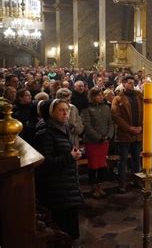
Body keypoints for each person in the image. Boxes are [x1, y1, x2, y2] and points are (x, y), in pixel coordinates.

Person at [34, 99, 83, 239]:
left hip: (67, 186)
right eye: (61, 110)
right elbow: (45, 162)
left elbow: (65, 151)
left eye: (66, 110)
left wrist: (74, 153)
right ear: (51, 113)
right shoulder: (45, 133)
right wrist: (70, 157)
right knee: (62, 232)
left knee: (70, 231)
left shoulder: (63, 128)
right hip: (57, 190)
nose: (65, 113)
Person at [111, 76, 143, 193]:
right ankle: (122, 183)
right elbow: (116, 116)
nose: (132, 85)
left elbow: (145, 112)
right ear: (123, 84)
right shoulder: (118, 98)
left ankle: (137, 180)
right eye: (129, 83)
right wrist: (129, 128)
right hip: (125, 133)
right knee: (123, 160)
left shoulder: (139, 96)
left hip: (138, 133)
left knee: (136, 159)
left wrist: (141, 127)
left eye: (133, 83)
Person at [81, 87, 115, 199]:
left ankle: (100, 185)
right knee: (93, 166)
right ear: (92, 96)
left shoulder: (106, 107)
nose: (101, 97)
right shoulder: (87, 109)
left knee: (102, 165)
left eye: (101, 95)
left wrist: (109, 135)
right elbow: (87, 126)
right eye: (98, 95)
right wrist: (99, 137)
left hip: (105, 141)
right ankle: (93, 186)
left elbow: (111, 123)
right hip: (92, 142)